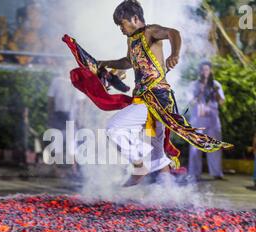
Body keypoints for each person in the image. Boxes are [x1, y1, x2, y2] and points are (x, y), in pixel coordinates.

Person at [98, 0, 232, 187]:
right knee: (157, 151)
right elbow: (128, 62)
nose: (121, 29)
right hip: (146, 99)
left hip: (156, 99)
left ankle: (138, 167)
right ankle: (170, 196)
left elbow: (173, 33)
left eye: (122, 24)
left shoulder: (150, 31)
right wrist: (106, 62)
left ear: (135, 18)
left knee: (113, 128)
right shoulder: (132, 40)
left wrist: (175, 54)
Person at [188, 62, 226, 181]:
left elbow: (222, 102)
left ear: (210, 71)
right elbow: (191, 102)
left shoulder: (216, 84)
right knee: (195, 147)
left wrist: (215, 93)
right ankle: (194, 173)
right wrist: (200, 91)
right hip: (198, 119)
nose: (205, 73)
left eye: (207, 70)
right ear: (199, 72)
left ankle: (216, 172)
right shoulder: (193, 85)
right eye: (203, 70)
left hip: (213, 119)